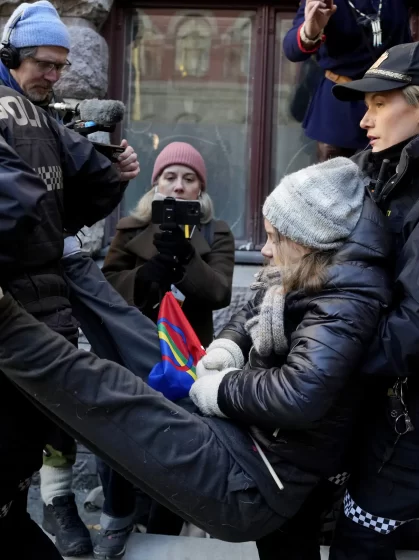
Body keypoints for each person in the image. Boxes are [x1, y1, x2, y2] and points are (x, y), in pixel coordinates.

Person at [0, 157, 391, 553]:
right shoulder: (308, 273)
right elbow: (253, 307)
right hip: (246, 439)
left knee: (111, 390)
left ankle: (7, 324)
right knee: (142, 345)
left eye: (273, 238)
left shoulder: (346, 300)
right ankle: (71, 260)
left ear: (306, 240)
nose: (264, 249)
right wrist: (227, 347)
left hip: (252, 478)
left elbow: (299, 394)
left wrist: (219, 388)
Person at [0, 3, 139, 556]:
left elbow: (25, 206)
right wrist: (115, 173)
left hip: (21, 314)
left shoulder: (25, 111)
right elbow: (80, 197)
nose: (53, 77)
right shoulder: (41, 117)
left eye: (59, 67)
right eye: (44, 64)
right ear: (10, 55)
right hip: (45, 312)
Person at [326, 41, 419, 559]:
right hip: (385, 403)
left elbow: (418, 326)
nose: (364, 121)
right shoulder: (378, 171)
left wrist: (323, 367)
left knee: (360, 539)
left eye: (379, 104)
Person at [96, 141, 235, 558]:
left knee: (182, 445)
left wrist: (187, 257)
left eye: (188, 179)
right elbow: (107, 288)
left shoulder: (218, 231)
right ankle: (119, 517)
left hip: (190, 360)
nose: (178, 187)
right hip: (137, 351)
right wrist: (150, 273)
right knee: (124, 436)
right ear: (154, 185)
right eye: (169, 178)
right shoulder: (129, 228)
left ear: (200, 190)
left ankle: (165, 530)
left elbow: (220, 291)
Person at [283, 0, 419, 162]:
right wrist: (309, 31)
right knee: (333, 179)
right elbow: (292, 48)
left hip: (391, 99)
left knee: (392, 175)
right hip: (340, 102)